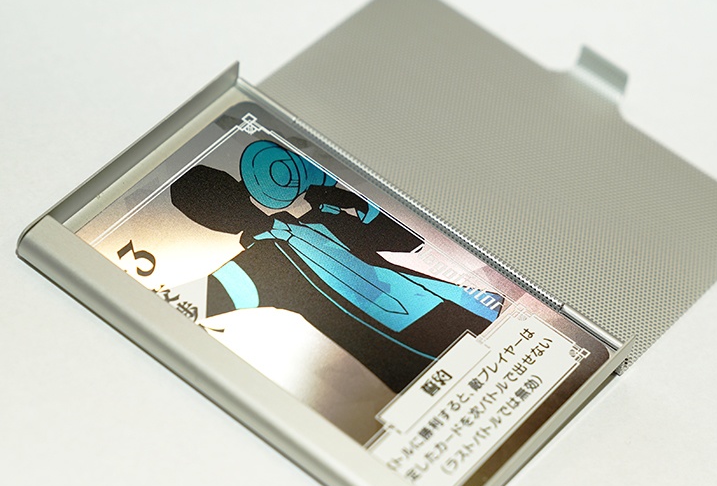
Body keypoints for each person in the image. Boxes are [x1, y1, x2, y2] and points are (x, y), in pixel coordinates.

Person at [170, 158, 502, 393]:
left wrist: (356, 203)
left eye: (221, 194)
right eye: (208, 209)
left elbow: (407, 241)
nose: (222, 208)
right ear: (206, 223)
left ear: (240, 188)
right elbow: (181, 305)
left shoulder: (322, 217)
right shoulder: (254, 269)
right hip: (418, 352)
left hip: (465, 305)